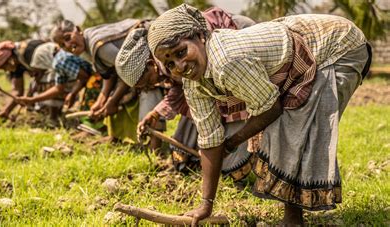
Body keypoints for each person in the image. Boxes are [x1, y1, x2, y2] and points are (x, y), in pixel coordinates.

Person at [147, 4, 372, 225]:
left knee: (294, 127)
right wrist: (206, 204)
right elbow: (209, 139)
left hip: (336, 45)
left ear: (200, 37)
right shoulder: (193, 84)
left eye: (180, 52)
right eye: (169, 63)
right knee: (284, 128)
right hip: (297, 50)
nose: (179, 65)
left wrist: (234, 141)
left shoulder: (227, 61)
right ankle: (293, 217)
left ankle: (293, 220)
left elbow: (270, 109)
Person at [115, 7, 257, 173]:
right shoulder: (168, 63)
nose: (148, 88)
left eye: (145, 83)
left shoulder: (173, 56)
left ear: (150, 66)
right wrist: (155, 114)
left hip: (242, 38)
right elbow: (180, 93)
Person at [61, 19, 166, 145]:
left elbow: (128, 72)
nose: (67, 45)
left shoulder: (97, 45)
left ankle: (155, 148)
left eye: (67, 38)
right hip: (137, 69)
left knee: (148, 90)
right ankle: (117, 137)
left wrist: (112, 101)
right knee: (116, 96)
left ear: (77, 30)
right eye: (62, 45)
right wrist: (101, 100)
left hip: (151, 61)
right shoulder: (89, 42)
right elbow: (110, 74)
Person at [15, 42, 94, 122]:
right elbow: (59, 88)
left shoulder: (60, 61)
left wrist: (73, 93)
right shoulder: (58, 64)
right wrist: (31, 99)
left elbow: (85, 77)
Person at [0, 39, 45, 120]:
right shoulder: (15, 63)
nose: (6, 70)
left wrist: (30, 96)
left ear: (8, 60)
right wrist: (6, 111)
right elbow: (17, 91)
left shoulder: (29, 51)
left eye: (4, 67)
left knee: (42, 87)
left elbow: (41, 75)